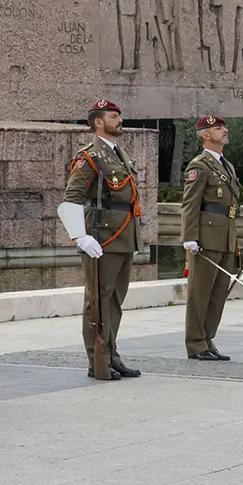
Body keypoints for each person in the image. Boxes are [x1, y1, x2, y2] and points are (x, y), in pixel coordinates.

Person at [58, 99, 143, 380]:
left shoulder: (120, 154)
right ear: (98, 122)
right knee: (97, 299)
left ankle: (112, 354)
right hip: (102, 236)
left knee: (115, 299)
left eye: (119, 114)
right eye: (112, 115)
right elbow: (71, 198)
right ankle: (98, 359)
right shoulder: (90, 155)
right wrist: (79, 236)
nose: (119, 119)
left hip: (124, 234)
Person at [181, 116, 241, 360]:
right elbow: (190, 204)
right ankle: (195, 343)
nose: (224, 131)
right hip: (206, 238)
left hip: (225, 236)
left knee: (217, 294)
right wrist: (190, 237)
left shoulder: (226, 164)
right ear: (205, 134)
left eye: (223, 127)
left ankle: (207, 339)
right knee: (200, 293)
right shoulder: (200, 166)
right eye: (218, 128)